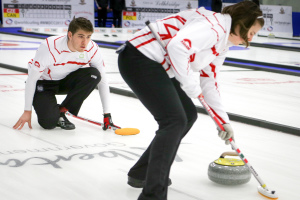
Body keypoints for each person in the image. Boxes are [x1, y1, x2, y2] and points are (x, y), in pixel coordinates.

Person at [117, 1, 264, 200]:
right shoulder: (215, 27)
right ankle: (153, 196)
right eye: (252, 32)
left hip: (158, 64)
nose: (250, 39)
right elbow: (179, 46)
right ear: (242, 24)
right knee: (174, 120)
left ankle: (141, 173)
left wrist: (222, 121)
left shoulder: (222, 43)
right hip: (140, 57)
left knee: (187, 115)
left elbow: (209, 81)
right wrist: (189, 85)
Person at [13, 17, 115, 131]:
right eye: (80, 36)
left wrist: (107, 114)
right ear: (70, 35)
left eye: (88, 37)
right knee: (49, 123)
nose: (85, 42)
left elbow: (103, 80)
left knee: (94, 75)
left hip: (64, 80)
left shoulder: (92, 49)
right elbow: (31, 79)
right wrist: (27, 110)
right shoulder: (50, 47)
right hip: (43, 83)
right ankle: (53, 114)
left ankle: (62, 110)